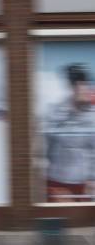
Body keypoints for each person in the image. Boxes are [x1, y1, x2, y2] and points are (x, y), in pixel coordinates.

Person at [43, 64, 95, 202]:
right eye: (80, 85)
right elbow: (44, 150)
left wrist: (92, 180)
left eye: (87, 85)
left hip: (84, 186)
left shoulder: (92, 115)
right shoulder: (55, 112)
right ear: (72, 88)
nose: (86, 90)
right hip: (57, 183)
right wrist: (50, 187)